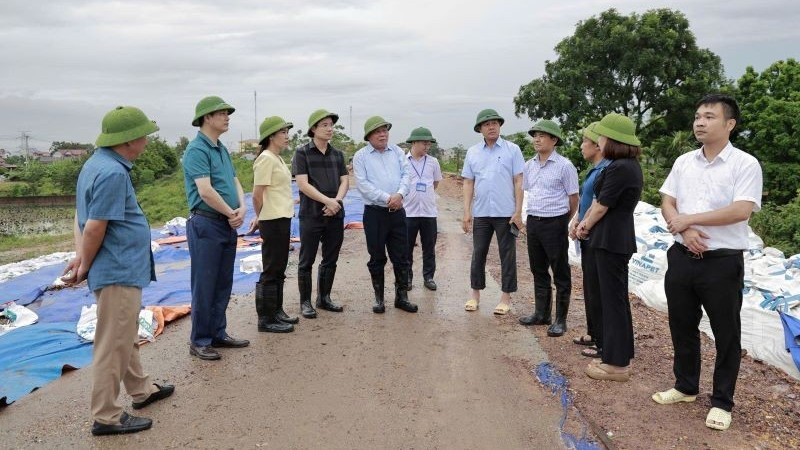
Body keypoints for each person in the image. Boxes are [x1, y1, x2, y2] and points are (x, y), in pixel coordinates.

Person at [652, 94, 762, 431]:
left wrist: (689, 220)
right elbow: (667, 200)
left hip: (721, 263)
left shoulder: (745, 164)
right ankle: (685, 386)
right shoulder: (685, 161)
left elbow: (741, 209)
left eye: (709, 116)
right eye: (698, 116)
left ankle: (722, 402)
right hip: (682, 257)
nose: (700, 122)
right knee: (682, 325)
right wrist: (684, 231)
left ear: (729, 124)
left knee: (726, 332)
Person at [62, 106, 174, 436]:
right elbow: (95, 225)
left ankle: (141, 391)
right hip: (117, 268)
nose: (147, 143)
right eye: (144, 137)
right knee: (113, 343)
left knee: (123, 335)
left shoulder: (97, 164)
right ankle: (106, 416)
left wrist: (82, 256)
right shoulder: (112, 173)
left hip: (114, 265)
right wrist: (84, 264)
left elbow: (80, 216)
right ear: (128, 141)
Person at [576, 113, 643, 382]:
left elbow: (602, 205)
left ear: (613, 140)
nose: (599, 140)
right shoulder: (623, 165)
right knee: (613, 299)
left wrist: (584, 226)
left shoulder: (621, 168)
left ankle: (617, 363)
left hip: (611, 240)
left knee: (613, 301)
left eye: (602, 136)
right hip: (611, 240)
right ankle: (619, 355)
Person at [182, 96, 249, 360]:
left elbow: (235, 181)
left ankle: (218, 333)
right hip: (207, 224)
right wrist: (231, 212)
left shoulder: (220, 148)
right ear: (207, 118)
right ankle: (199, 339)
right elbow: (206, 191)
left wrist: (242, 208)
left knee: (223, 282)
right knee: (205, 284)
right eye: (222, 113)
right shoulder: (197, 150)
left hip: (226, 223)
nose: (227, 117)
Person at [518, 119, 579, 337]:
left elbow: (574, 198)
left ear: (554, 140)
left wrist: (564, 219)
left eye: (542, 135)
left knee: (560, 271)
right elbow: (527, 193)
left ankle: (560, 320)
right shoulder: (529, 165)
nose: (537, 139)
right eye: (535, 135)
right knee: (538, 270)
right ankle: (541, 314)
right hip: (534, 221)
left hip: (555, 222)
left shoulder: (565, 166)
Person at [461, 109, 525, 315]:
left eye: (495, 123)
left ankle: (505, 297)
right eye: (487, 124)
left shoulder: (512, 149)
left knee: (507, 255)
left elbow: (519, 181)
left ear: (500, 126)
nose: (492, 127)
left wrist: (518, 211)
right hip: (481, 212)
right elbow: (469, 182)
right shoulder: (473, 152)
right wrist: (466, 212)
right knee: (478, 254)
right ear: (480, 129)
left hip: (506, 213)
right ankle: (474, 295)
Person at [353, 116, 418, 314]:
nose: (383, 134)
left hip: (397, 213)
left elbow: (407, 175)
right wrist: (387, 197)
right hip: (374, 214)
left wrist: (399, 194)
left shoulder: (398, 152)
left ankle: (401, 298)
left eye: (385, 130)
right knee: (377, 256)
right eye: (378, 131)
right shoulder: (361, 157)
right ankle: (379, 299)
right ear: (369, 136)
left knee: (401, 255)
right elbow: (363, 185)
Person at [292, 109, 349, 318]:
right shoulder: (302, 153)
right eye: (324, 125)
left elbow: (345, 180)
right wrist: (327, 201)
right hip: (311, 214)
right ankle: (305, 302)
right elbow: (302, 184)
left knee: (330, 258)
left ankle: (324, 298)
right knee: (306, 260)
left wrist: (338, 201)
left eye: (331, 125)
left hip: (335, 214)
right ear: (313, 129)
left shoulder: (338, 154)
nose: (329, 129)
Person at [248, 116, 296, 333]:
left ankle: (276, 311)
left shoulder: (277, 158)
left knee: (279, 268)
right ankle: (265, 319)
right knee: (271, 269)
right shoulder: (266, 159)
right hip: (272, 220)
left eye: (287, 132)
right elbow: (257, 195)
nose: (287, 136)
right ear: (271, 137)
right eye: (282, 133)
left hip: (282, 218)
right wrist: (261, 217)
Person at [568, 122, 609, 358]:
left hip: (596, 235)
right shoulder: (593, 169)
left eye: (585, 142)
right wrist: (576, 220)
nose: (582, 146)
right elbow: (586, 202)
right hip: (585, 232)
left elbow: (598, 204)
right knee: (590, 287)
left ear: (598, 146)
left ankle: (603, 340)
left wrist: (583, 225)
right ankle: (594, 333)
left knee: (599, 289)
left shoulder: (606, 170)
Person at [403, 127, 443, 291]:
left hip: (428, 212)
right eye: (424, 143)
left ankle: (429, 277)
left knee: (429, 248)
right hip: (408, 212)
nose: (427, 147)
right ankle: (407, 278)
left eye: (428, 144)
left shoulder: (433, 162)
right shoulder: (403, 161)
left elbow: (435, 183)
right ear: (414, 142)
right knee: (406, 249)